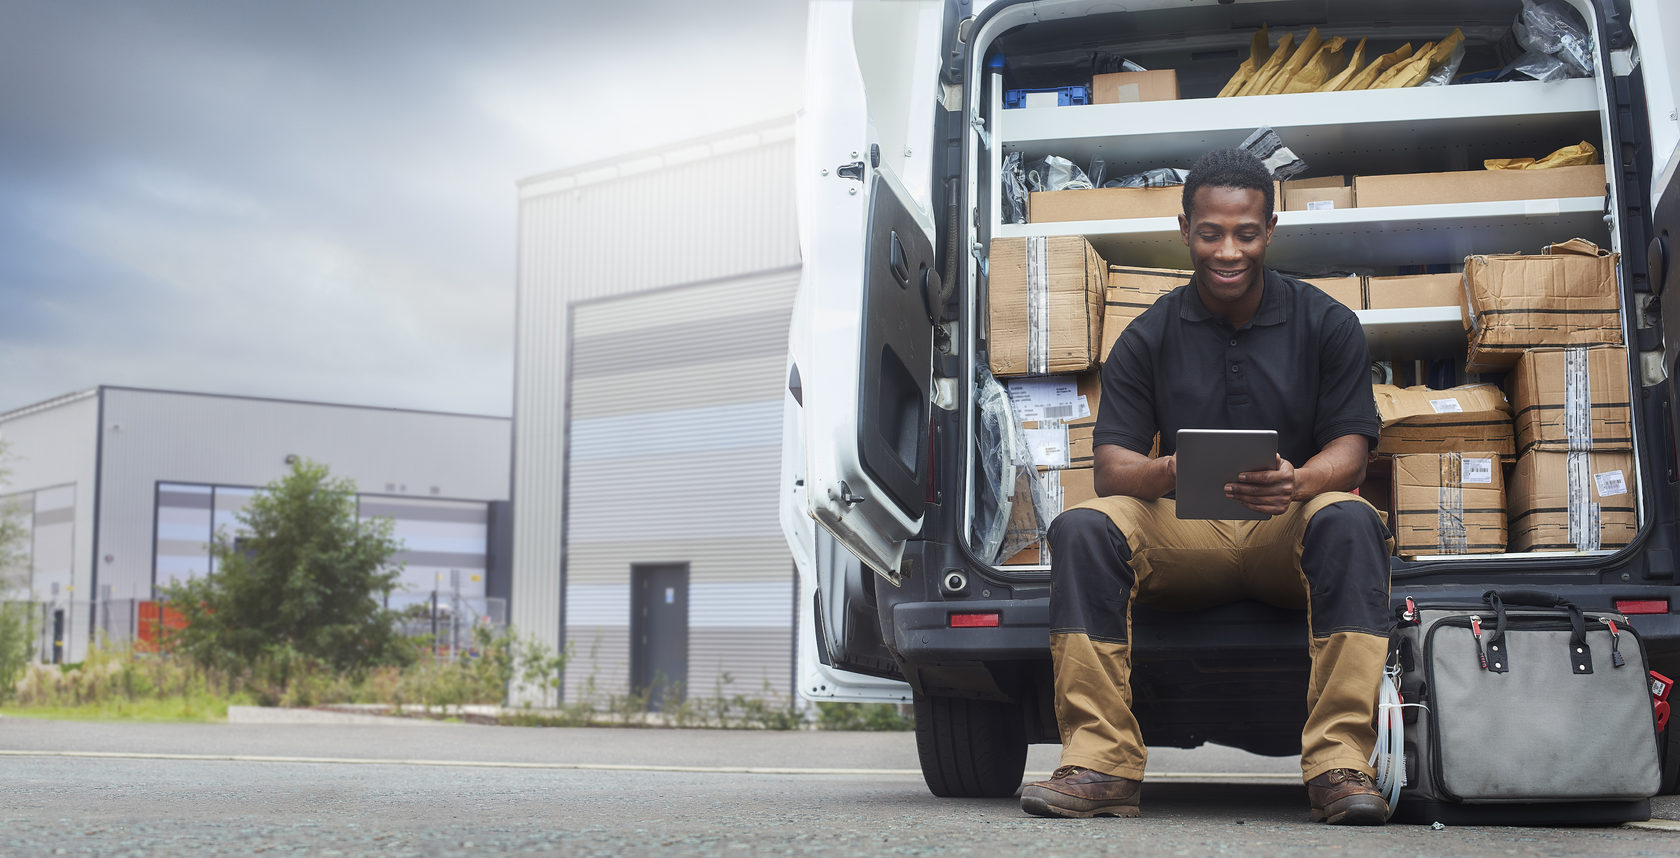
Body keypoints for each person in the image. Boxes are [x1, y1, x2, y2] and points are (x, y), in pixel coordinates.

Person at [1018, 148, 1393, 825]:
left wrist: (1300, 479)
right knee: (1083, 525)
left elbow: (1353, 450)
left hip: (1289, 527)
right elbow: (1111, 466)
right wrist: (1172, 471)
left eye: (1246, 233)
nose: (1229, 250)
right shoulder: (1149, 333)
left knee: (1351, 517)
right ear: (1186, 227)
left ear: (1269, 231)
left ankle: (1341, 764)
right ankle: (1102, 764)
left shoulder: (1325, 322)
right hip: (1183, 532)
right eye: (1212, 232)